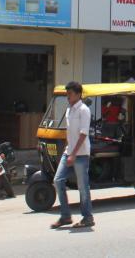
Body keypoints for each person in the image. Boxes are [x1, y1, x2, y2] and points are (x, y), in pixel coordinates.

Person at [51, 81, 94, 229]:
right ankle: (65, 216)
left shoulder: (84, 110)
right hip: (69, 152)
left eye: (69, 93)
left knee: (82, 187)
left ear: (78, 94)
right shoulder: (69, 110)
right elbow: (69, 133)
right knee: (58, 180)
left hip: (81, 154)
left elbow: (83, 134)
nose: (67, 96)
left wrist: (73, 154)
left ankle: (87, 217)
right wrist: (67, 151)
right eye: (67, 93)